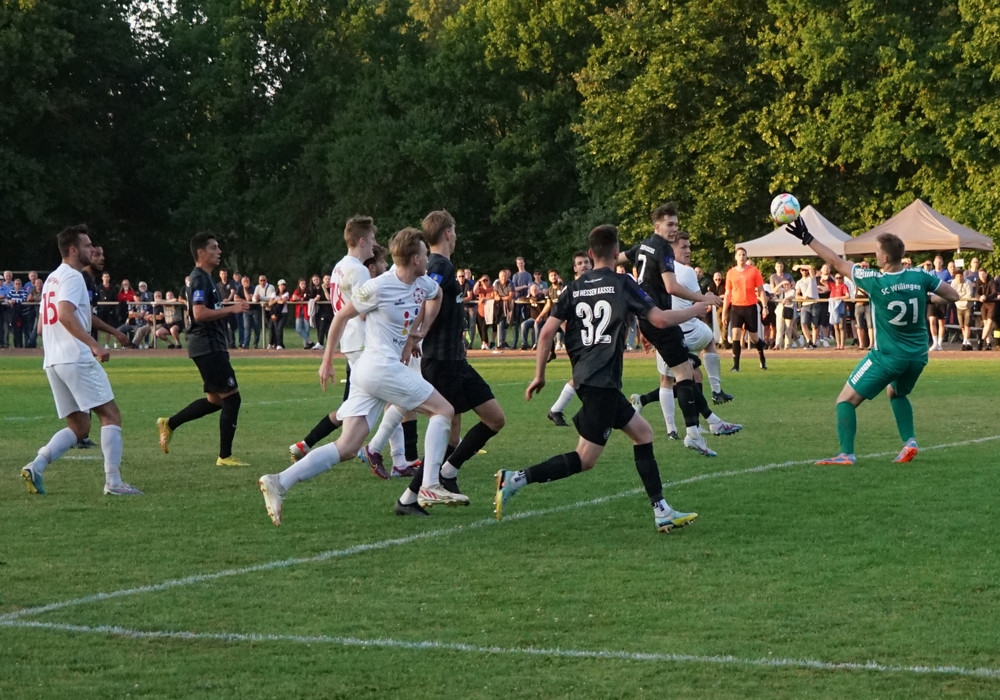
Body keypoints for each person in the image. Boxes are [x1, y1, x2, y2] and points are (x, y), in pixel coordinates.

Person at [494, 224, 708, 532]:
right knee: (585, 459)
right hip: (602, 381)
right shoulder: (622, 283)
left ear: (591, 253)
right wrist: (696, 309)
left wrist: (539, 375)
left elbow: (545, 333)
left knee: (643, 433)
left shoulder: (573, 287)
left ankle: (662, 511)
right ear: (616, 251)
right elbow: (660, 319)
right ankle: (514, 479)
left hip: (586, 377)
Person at [258, 227, 466, 526]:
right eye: (424, 254)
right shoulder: (378, 287)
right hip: (379, 367)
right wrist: (327, 360)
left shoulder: (422, 282)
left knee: (347, 446)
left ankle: (279, 481)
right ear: (415, 259)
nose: (428, 259)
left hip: (373, 371)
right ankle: (430, 485)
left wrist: (417, 334)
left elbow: (437, 295)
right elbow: (341, 316)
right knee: (443, 410)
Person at [784, 218, 959, 465]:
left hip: (887, 356)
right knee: (896, 393)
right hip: (918, 355)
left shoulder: (876, 280)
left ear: (885, 258)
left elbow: (836, 262)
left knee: (845, 401)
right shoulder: (919, 275)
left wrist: (808, 238)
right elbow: (953, 295)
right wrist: (925, 298)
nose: (875, 255)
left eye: (877, 252)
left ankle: (846, 454)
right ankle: (909, 441)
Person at [391, 210, 507, 515]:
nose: (456, 235)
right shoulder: (439, 266)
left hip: (455, 361)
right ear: (447, 233)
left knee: (494, 419)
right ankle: (409, 498)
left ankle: (448, 472)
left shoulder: (441, 265)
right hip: (442, 362)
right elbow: (424, 296)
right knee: (445, 432)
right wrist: (416, 334)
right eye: (454, 230)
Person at [20, 225, 142, 496]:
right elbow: (65, 314)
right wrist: (94, 345)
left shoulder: (52, 278)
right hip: (75, 357)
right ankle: (114, 482)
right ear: (74, 250)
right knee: (111, 415)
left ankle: (36, 466)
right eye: (87, 246)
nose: (92, 249)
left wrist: (113, 332)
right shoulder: (74, 277)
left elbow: (67, 317)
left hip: (54, 360)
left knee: (79, 426)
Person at [619, 203, 723, 456]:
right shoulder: (663, 248)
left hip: (648, 317)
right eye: (670, 224)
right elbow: (672, 287)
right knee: (684, 375)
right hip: (660, 318)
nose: (674, 229)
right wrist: (703, 299)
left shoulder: (643, 245)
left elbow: (617, 258)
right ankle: (694, 433)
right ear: (657, 225)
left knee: (685, 371)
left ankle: (706, 425)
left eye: (676, 224)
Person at [629, 231, 740, 438]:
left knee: (671, 379)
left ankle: (675, 428)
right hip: (681, 329)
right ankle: (711, 401)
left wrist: (644, 328)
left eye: (689, 247)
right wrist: (705, 299)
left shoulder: (652, 265)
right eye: (684, 247)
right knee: (690, 372)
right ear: (670, 249)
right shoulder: (685, 271)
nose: (688, 251)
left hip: (658, 328)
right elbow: (692, 302)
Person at [287, 217, 376, 467]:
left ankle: (308, 444)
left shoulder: (339, 267)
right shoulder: (359, 270)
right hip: (362, 341)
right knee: (385, 400)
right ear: (361, 240)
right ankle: (391, 455)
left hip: (349, 341)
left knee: (358, 405)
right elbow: (363, 312)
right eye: (371, 239)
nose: (374, 243)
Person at [157, 233, 251, 467]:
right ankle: (225, 456)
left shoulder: (205, 278)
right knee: (232, 398)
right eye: (214, 248)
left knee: (215, 400)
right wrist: (231, 310)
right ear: (201, 252)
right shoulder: (199, 278)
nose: (219, 251)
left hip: (208, 345)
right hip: (207, 345)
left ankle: (170, 423)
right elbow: (198, 314)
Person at [721, 247, 768, 371]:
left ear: (746, 257)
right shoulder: (731, 273)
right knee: (735, 334)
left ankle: (762, 356)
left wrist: (764, 306)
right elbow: (728, 293)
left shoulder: (753, 271)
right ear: (735, 257)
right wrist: (724, 312)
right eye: (739, 255)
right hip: (736, 307)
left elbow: (761, 290)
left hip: (750, 307)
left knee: (754, 337)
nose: (741, 257)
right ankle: (736, 366)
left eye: (743, 254)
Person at [795, 264, 820, 348]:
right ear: (800, 271)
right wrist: (803, 297)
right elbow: (797, 295)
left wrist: (799, 266)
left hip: (814, 303)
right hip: (805, 305)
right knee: (803, 323)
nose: (804, 271)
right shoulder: (799, 282)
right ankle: (809, 341)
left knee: (815, 325)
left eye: (805, 270)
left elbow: (811, 267)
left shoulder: (812, 278)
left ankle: (814, 343)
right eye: (802, 270)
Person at [952, 270, 975, 350]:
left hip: (967, 306)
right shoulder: (953, 283)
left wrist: (959, 297)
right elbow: (952, 293)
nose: (959, 278)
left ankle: (964, 342)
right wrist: (959, 297)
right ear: (955, 277)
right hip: (958, 306)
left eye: (960, 276)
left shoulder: (968, 282)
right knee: (962, 326)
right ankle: (968, 342)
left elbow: (969, 294)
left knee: (967, 325)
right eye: (957, 276)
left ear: (963, 276)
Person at [290, 278, 314, 349]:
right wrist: (299, 298)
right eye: (301, 284)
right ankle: (309, 341)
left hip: (306, 311)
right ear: (299, 285)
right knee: (298, 329)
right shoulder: (296, 291)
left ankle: (306, 345)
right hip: (299, 312)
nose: (303, 285)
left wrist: (299, 298)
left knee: (307, 329)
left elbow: (307, 298)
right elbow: (292, 298)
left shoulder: (308, 291)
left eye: (304, 283)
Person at [266, 279, 290, 349]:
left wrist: (275, 300)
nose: (283, 286)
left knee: (279, 328)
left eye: (284, 285)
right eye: (281, 285)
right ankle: (278, 344)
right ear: (278, 286)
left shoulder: (286, 293)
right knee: (276, 328)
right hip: (275, 313)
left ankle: (279, 344)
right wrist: (277, 300)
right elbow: (270, 303)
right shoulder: (274, 293)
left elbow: (283, 301)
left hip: (283, 313)